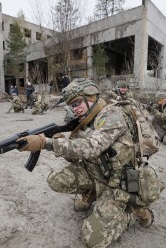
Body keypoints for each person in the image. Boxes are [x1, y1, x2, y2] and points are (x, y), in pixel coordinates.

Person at [16, 78, 154, 248]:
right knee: (56, 180)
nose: (75, 109)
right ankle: (92, 191)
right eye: (72, 106)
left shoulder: (111, 116)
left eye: (78, 103)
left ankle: (133, 212)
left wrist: (47, 142)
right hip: (95, 172)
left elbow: (91, 146)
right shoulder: (85, 119)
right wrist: (57, 140)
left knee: (93, 239)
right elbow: (76, 156)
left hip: (117, 184)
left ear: (91, 97)